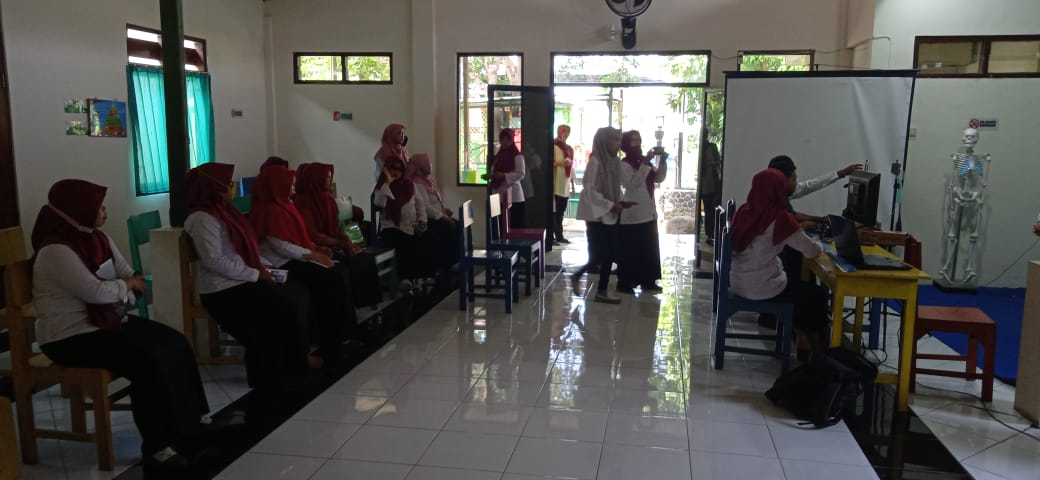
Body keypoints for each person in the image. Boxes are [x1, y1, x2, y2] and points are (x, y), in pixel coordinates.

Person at [33, 179, 209, 468]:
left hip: (107, 322)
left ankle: (191, 423)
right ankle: (158, 446)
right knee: (147, 361)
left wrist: (124, 287)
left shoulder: (98, 238)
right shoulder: (56, 251)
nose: (104, 211)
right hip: (70, 336)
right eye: (98, 206)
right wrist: (125, 286)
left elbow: (129, 273)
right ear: (78, 209)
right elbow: (97, 292)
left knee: (175, 342)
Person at [185, 162, 311, 392]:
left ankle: (293, 362)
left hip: (244, 279)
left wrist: (265, 266)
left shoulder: (224, 211)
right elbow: (214, 261)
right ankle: (271, 376)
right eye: (228, 183)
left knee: (293, 297)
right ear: (214, 187)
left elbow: (246, 248)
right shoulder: (202, 219)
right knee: (273, 311)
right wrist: (256, 273)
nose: (232, 186)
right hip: (222, 290)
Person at [248, 165, 359, 363]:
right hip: (281, 264)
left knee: (339, 271)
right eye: (290, 185)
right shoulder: (268, 210)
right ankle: (329, 339)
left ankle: (342, 334)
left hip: (295, 258)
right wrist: (312, 255)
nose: (294, 187)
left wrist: (315, 250)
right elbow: (281, 245)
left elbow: (299, 237)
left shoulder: (284, 205)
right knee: (329, 280)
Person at [729, 168, 830, 357]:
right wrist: (819, 244)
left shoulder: (744, 211)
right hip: (761, 287)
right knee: (815, 294)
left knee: (798, 289)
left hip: (737, 282)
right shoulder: (781, 219)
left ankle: (801, 336)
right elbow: (810, 251)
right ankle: (810, 347)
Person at [572, 127, 633, 304]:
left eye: (619, 140)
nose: (618, 144)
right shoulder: (596, 162)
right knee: (603, 254)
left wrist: (621, 201)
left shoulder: (613, 162)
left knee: (608, 253)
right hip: (595, 214)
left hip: (608, 213)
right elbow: (589, 190)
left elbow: (615, 188)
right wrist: (610, 205)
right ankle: (592, 285)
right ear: (605, 142)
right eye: (614, 140)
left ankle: (601, 290)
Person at [617, 130, 667, 293]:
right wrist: (645, 163)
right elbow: (634, 184)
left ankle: (648, 281)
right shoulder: (623, 164)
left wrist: (662, 162)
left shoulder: (642, 161)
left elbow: (658, 178)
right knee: (632, 251)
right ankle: (626, 283)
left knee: (648, 249)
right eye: (633, 140)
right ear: (625, 144)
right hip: (633, 213)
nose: (637, 143)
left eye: (638, 139)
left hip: (648, 211)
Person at [374, 157, 434, 279]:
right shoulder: (382, 186)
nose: (396, 172)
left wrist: (422, 221)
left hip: (410, 226)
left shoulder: (409, 185)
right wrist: (388, 182)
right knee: (403, 242)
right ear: (387, 169)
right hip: (391, 227)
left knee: (429, 239)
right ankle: (404, 279)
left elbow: (420, 205)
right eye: (393, 168)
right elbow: (379, 204)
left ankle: (421, 277)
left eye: (400, 169)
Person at [767, 155, 863, 230]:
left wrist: (820, 220)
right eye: (794, 179)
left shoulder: (778, 193)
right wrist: (802, 227)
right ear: (782, 180)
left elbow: (792, 213)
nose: (796, 184)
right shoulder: (769, 200)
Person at [406, 153, 459, 273]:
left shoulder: (428, 180)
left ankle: (453, 261)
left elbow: (436, 200)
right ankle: (444, 264)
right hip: (428, 219)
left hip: (438, 216)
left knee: (457, 225)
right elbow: (426, 207)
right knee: (448, 228)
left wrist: (444, 210)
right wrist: (442, 217)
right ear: (420, 166)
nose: (429, 166)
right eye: (427, 163)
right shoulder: (416, 183)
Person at [294, 162, 362, 256]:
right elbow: (313, 236)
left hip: (333, 244)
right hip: (315, 248)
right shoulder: (302, 202)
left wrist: (345, 239)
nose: (331, 180)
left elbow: (336, 227)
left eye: (330, 177)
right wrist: (340, 243)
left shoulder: (328, 199)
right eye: (327, 177)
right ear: (317, 179)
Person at [485, 128, 526, 229]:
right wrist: (491, 175)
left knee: (513, 227)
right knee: (499, 228)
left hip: (514, 198)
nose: (505, 142)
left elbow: (521, 174)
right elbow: (494, 170)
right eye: (502, 139)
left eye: (507, 139)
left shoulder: (517, 156)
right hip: (498, 195)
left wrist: (504, 175)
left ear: (512, 140)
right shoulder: (499, 155)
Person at [552, 125, 576, 244]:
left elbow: (571, 168)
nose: (566, 134)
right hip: (556, 183)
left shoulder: (569, 149)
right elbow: (550, 163)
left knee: (561, 212)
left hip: (565, 184)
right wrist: (561, 163)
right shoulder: (554, 146)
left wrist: (573, 185)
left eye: (568, 131)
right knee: (554, 212)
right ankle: (551, 236)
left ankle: (559, 235)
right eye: (564, 131)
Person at [699, 138, 722, 244]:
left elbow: (719, 161)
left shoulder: (712, 146)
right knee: (706, 211)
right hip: (703, 186)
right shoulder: (701, 148)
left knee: (711, 211)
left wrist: (712, 163)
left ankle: (712, 235)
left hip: (712, 185)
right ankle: (708, 234)